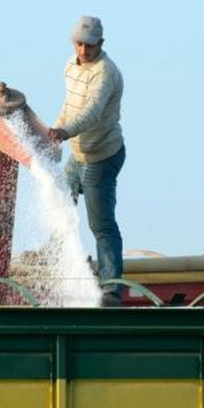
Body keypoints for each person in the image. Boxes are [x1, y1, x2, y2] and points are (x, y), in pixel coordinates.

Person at [47, 16, 126, 307]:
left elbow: (91, 112)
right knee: (60, 204)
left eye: (90, 46)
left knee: (101, 224)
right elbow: (70, 105)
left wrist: (63, 132)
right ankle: (57, 262)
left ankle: (111, 289)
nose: (84, 50)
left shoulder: (105, 73)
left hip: (101, 157)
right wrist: (53, 132)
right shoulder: (71, 66)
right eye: (79, 44)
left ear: (100, 44)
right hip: (78, 154)